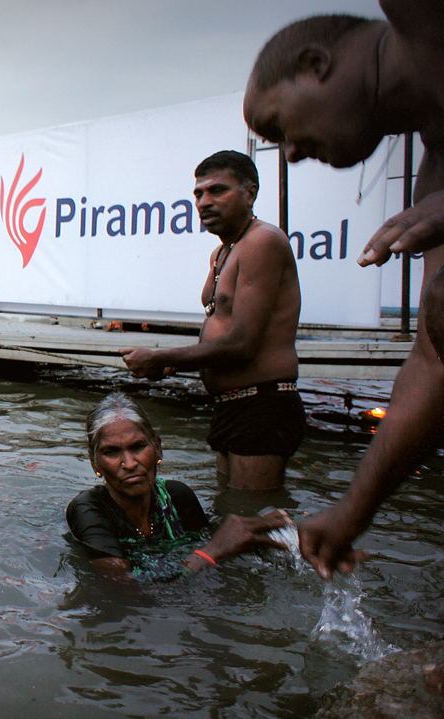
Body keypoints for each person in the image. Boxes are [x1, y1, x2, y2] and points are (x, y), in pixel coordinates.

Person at [241, 5, 444, 578]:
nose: (291, 153)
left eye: (279, 127)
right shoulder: (434, 176)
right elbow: (433, 358)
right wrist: (353, 509)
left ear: (314, 63)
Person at [120, 151, 303, 492]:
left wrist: (161, 357)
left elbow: (243, 344)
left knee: (252, 518)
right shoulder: (221, 252)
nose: (204, 202)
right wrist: (173, 368)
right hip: (231, 404)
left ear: (250, 193)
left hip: (262, 405)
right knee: (230, 511)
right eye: (198, 194)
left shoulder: (262, 241)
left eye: (217, 190)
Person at [66, 393, 293, 582]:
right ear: (94, 461)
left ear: (158, 448)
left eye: (138, 447)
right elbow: (124, 586)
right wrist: (216, 548)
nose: (130, 463)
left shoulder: (177, 497)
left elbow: (205, 553)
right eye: (111, 452)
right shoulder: (88, 510)